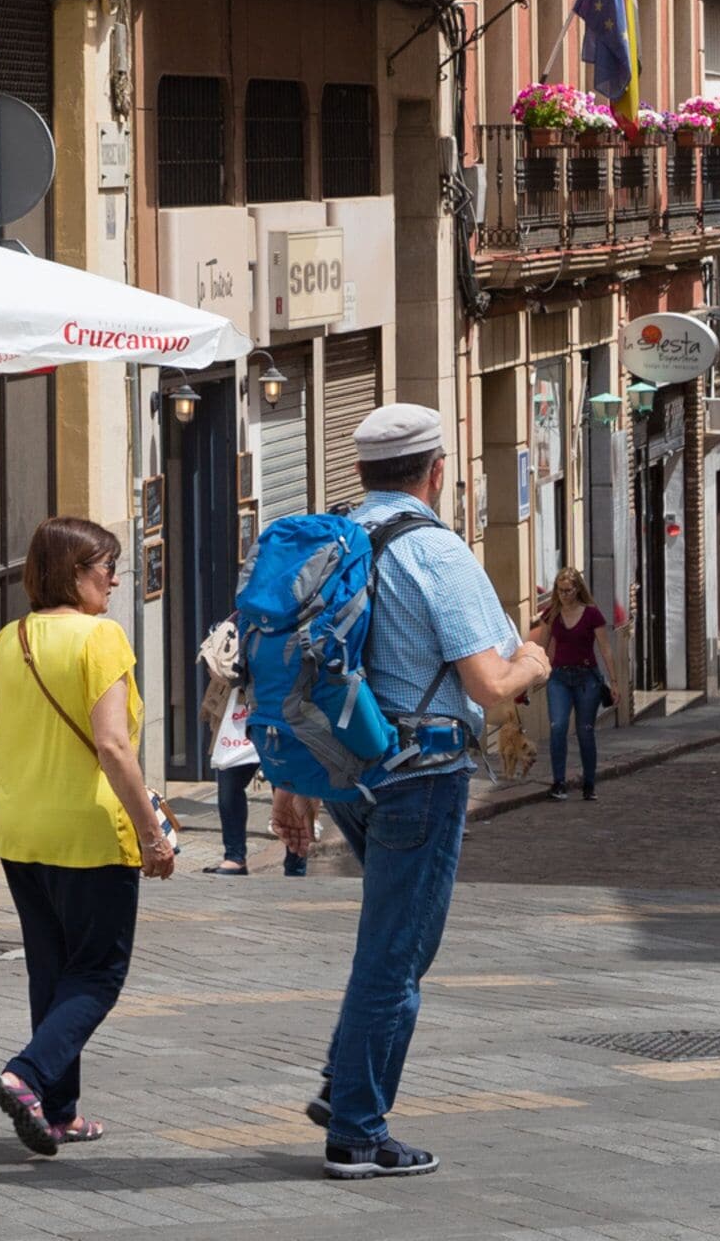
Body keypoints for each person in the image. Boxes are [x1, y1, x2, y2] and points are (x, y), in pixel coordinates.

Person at [273, 403, 550, 1181]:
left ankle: (344, 1084)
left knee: (402, 944)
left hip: (347, 774)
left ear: (359, 472)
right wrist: (535, 661)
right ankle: (358, 1133)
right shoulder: (436, 552)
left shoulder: (333, 544)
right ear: (435, 472)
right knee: (394, 955)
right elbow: (491, 682)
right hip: (421, 776)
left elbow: (291, 669)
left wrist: (291, 785)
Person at [0, 514, 176, 1157]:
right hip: (90, 833)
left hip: (21, 834)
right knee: (98, 972)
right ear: (75, 573)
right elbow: (113, 746)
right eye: (107, 568)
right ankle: (27, 1075)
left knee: (52, 973)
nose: (116, 580)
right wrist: (153, 834)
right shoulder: (101, 639)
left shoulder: (8, 642)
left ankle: (59, 1112)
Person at [197, 617, 296, 877]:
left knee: (289, 786)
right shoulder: (240, 614)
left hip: (280, 709)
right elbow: (219, 663)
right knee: (228, 784)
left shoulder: (293, 611)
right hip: (239, 713)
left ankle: (296, 859)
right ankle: (234, 857)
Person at [536, 569, 616, 802]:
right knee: (558, 726)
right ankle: (558, 782)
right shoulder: (551, 613)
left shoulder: (592, 614)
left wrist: (614, 681)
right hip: (559, 677)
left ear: (577, 589)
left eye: (568, 590)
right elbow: (541, 647)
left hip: (586, 679)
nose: (564, 595)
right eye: (560, 591)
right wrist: (536, 674)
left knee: (585, 730)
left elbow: (605, 648)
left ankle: (589, 784)